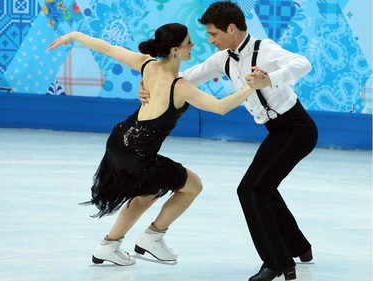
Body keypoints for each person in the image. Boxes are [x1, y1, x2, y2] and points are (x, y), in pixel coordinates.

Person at [139, 1, 318, 280]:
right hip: (278, 130)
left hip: (297, 128)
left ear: (231, 28)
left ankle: (277, 262)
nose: (210, 41)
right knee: (264, 187)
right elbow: (187, 77)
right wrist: (151, 88)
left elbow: (302, 63)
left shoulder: (264, 49)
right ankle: (299, 247)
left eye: (214, 34)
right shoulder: (224, 58)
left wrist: (270, 79)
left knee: (250, 190)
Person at [49, 23, 253, 266]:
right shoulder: (180, 87)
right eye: (188, 42)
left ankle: (109, 245)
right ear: (175, 50)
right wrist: (252, 87)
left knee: (148, 192)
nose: (193, 45)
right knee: (193, 185)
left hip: (119, 141)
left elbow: (109, 49)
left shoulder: (147, 64)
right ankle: (153, 236)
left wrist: (75, 35)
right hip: (138, 153)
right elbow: (221, 107)